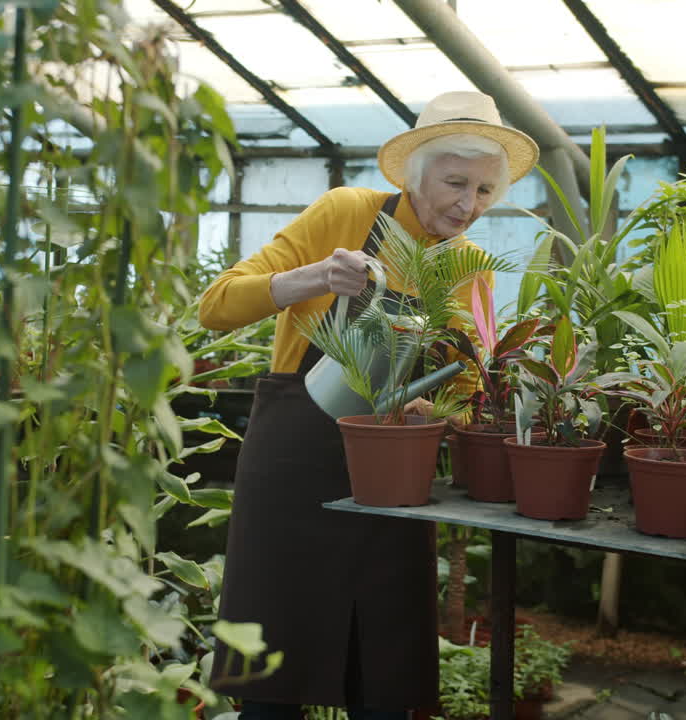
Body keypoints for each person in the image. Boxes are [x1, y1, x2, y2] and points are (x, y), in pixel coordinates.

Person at [199, 91, 539, 719]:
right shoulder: (348, 213)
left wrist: (435, 412)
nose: (469, 205)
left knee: (385, 672)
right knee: (271, 679)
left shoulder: (471, 266)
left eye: (486, 191)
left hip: (393, 478)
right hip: (295, 464)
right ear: (417, 174)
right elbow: (216, 304)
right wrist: (318, 278)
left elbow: (464, 390)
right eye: (455, 182)